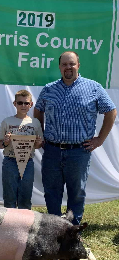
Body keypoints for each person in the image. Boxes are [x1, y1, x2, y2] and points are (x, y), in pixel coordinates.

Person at [34, 51, 117, 225]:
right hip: (52, 150)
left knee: (77, 192)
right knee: (51, 191)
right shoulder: (49, 89)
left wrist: (100, 139)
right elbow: (38, 111)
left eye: (71, 64)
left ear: (78, 65)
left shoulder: (94, 88)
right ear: (59, 67)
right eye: (64, 64)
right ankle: (54, 227)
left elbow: (111, 111)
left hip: (79, 151)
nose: (68, 67)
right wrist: (39, 135)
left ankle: (73, 230)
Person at [0, 89, 43, 209]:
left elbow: (38, 145)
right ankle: (8, 224)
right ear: (15, 104)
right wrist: (5, 142)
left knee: (25, 196)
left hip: (28, 162)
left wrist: (38, 143)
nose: (23, 106)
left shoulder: (35, 122)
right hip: (10, 161)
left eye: (26, 103)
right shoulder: (7, 122)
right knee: (9, 196)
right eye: (20, 103)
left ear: (31, 105)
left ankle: (25, 224)